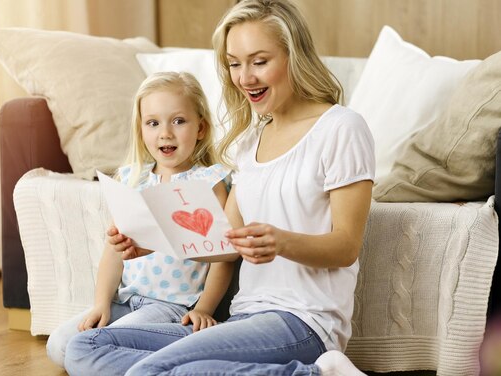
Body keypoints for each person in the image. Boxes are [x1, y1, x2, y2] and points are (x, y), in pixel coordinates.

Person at [63, 0, 375, 374]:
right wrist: (151, 242)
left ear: (295, 56)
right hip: (243, 316)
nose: (245, 78)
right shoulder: (248, 142)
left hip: (304, 322)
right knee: (83, 346)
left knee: (147, 371)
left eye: (259, 62)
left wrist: (282, 242)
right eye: (234, 63)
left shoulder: (341, 128)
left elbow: (346, 246)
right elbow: (223, 244)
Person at [46, 71, 233, 367]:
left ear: (201, 127)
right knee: (58, 345)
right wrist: (101, 304)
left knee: (102, 347)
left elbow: (224, 257)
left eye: (179, 121)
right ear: (141, 129)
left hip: (171, 307)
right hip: (127, 300)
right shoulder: (135, 178)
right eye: (153, 123)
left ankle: (173, 349)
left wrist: (205, 309)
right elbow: (115, 250)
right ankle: (161, 359)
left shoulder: (208, 181)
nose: (165, 133)